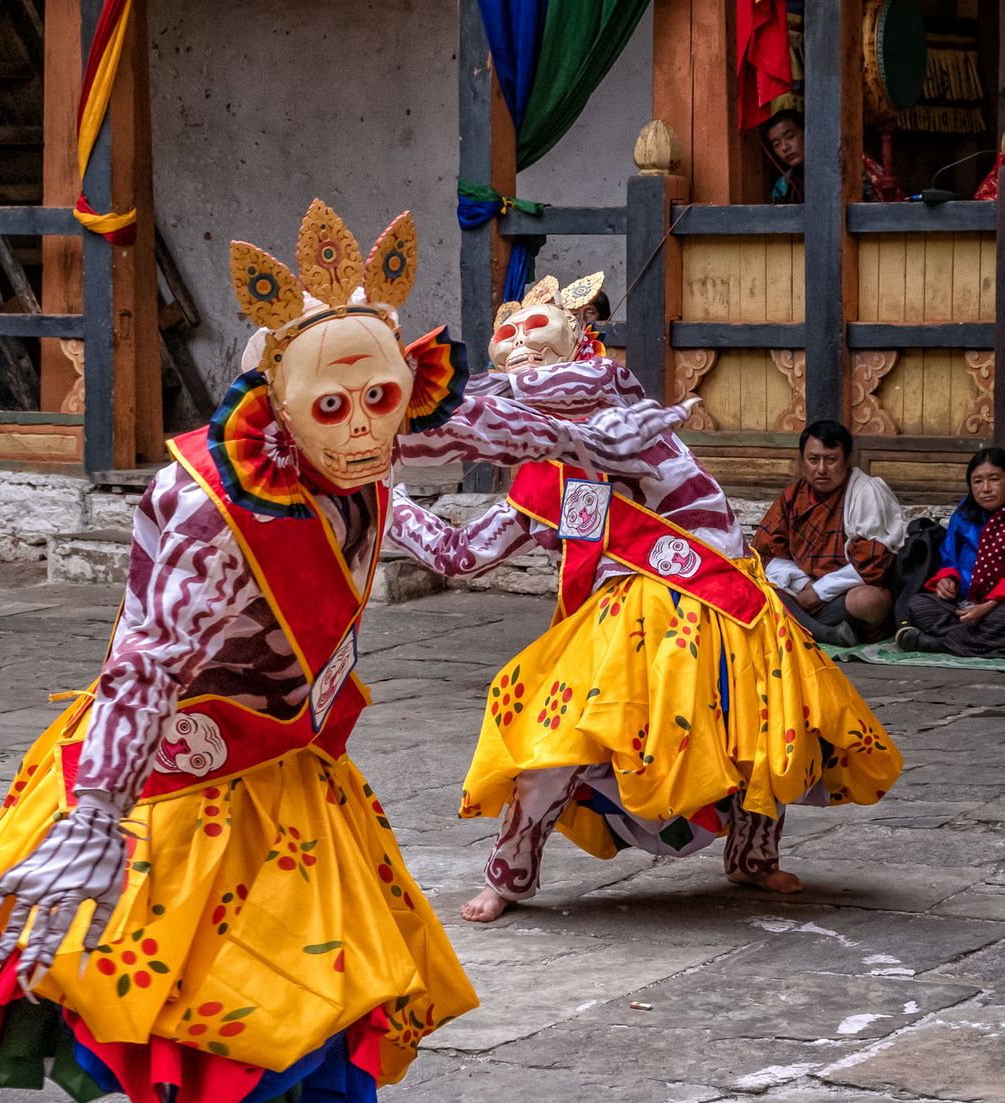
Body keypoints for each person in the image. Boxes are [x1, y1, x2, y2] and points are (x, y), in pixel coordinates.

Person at [0, 203, 696, 1103]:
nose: (368, 428)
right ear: (278, 402)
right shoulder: (211, 503)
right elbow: (144, 659)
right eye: (338, 406)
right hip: (184, 780)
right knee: (211, 995)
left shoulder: (363, 444)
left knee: (320, 968)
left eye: (383, 400)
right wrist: (93, 815)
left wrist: (579, 463)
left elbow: (467, 477)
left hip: (294, 763)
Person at [387, 272, 903, 924]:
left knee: (761, 733)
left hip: (726, 600)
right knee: (556, 745)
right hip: (629, 621)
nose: (528, 360)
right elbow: (460, 554)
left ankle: (752, 858)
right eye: (514, 351)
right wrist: (386, 500)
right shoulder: (542, 480)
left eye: (544, 350)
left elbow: (555, 404)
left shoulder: (631, 423)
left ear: (583, 349)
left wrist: (473, 405)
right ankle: (510, 875)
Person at [752, 420, 904, 647]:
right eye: (814, 460)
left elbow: (873, 562)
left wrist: (819, 592)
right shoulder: (793, 496)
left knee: (866, 600)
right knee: (758, 587)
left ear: (847, 460)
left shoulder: (865, 491)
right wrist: (804, 585)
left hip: (844, 595)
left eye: (831, 460)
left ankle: (801, 625)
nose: (821, 469)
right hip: (801, 591)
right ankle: (825, 633)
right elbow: (763, 552)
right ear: (802, 461)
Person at [895, 447, 1005, 657]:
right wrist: (947, 579)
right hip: (965, 604)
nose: (986, 488)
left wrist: (987, 607)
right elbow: (949, 556)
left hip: (998, 605)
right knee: (918, 605)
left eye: (994, 479)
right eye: (978, 481)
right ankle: (978, 641)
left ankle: (938, 644)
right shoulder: (964, 514)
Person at [763, 109, 902, 204]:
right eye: (776, 144)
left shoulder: (847, 162)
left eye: (790, 136)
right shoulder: (784, 184)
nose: (784, 148)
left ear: (808, 132)